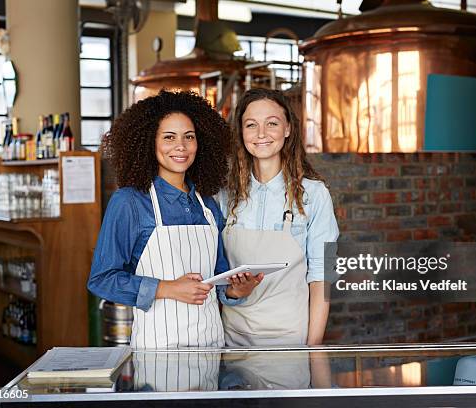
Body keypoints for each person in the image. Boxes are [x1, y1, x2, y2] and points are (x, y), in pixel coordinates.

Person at [88, 90, 257, 349]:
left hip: (211, 345)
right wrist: (167, 288)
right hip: (157, 352)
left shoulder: (207, 204)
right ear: (149, 143)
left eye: (189, 137)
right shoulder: (130, 202)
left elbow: (219, 278)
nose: (181, 146)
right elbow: (102, 279)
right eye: (169, 137)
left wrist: (237, 290)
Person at [217, 88, 339, 346]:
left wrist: (312, 348)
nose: (261, 134)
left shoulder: (314, 196)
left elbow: (321, 277)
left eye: (271, 123)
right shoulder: (224, 197)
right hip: (231, 343)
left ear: (287, 129)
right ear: (241, 132)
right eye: (251, 125)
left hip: (290, 342)